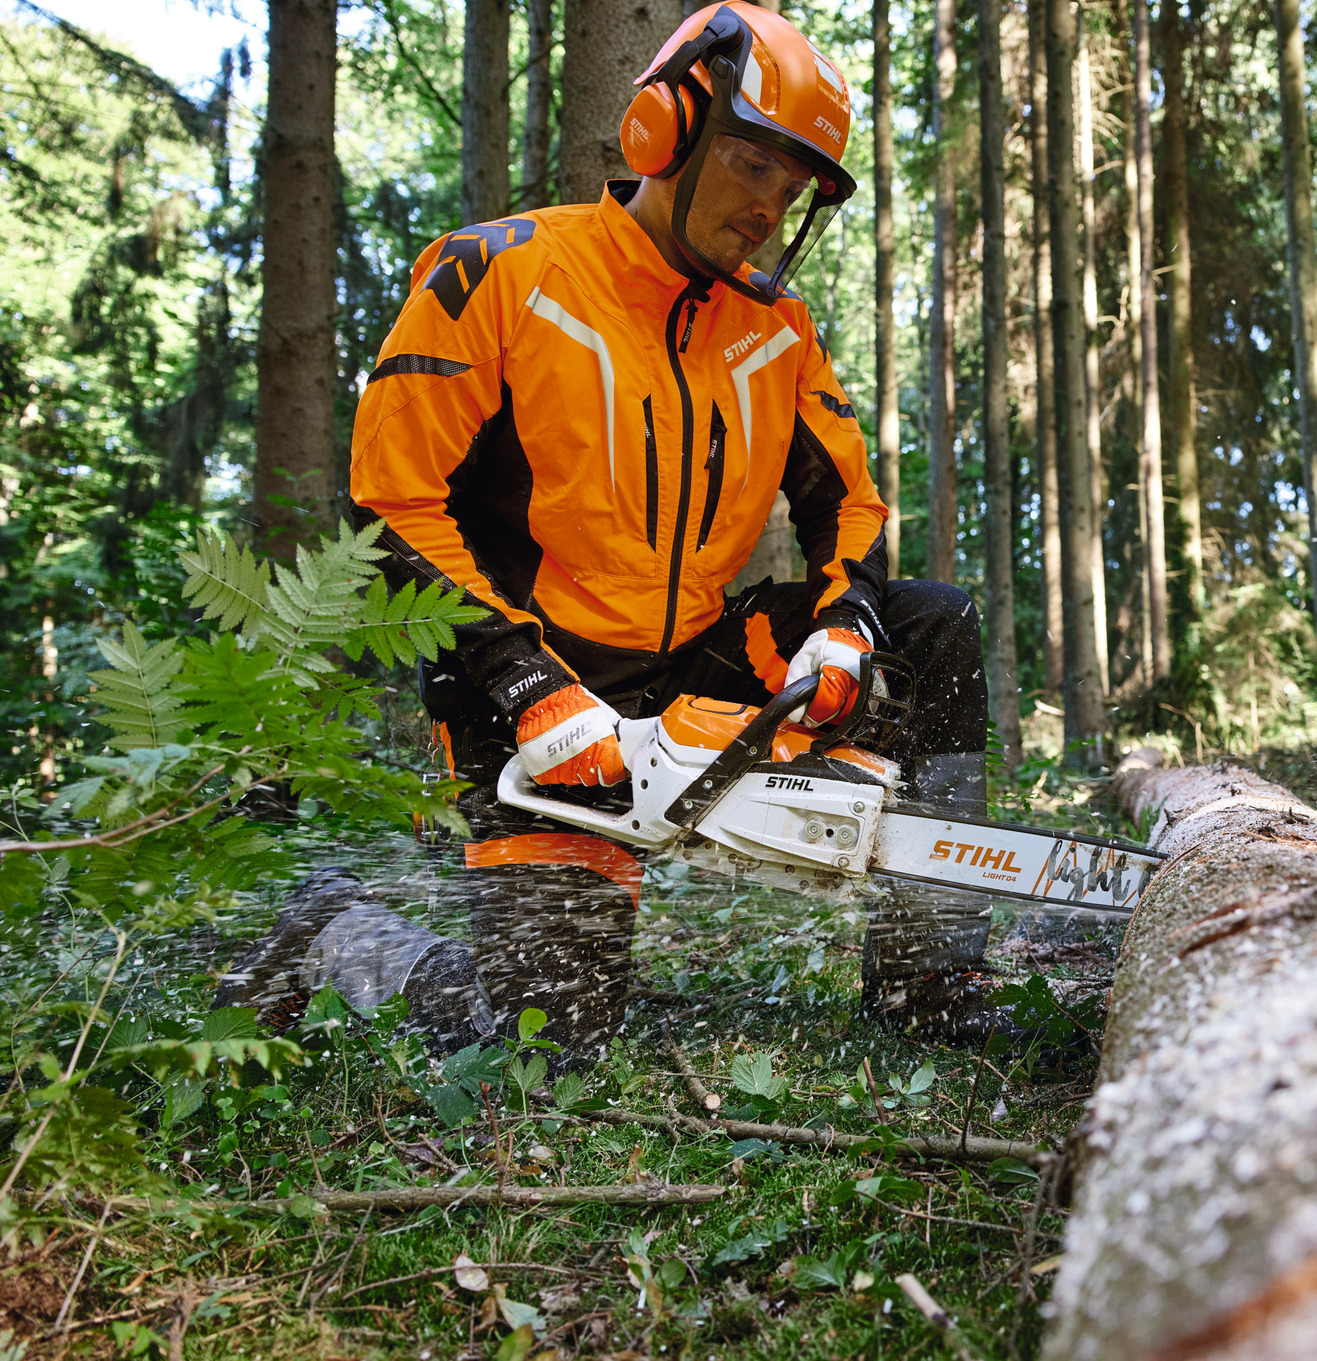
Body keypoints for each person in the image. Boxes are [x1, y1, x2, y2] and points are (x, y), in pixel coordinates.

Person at [217, 2, 1005, 1059]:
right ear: (663, 129)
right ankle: (332, 927)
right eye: (751, 163)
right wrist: (523, 681)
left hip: (695, 653)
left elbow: (845, 503)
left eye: (792, 183)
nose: (770, 204)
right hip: (525, 669)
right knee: (547, 1035)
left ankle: (931, 978)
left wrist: (847, 618)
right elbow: (391, 506)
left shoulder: (776, 329)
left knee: (935, 625)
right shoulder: (496, 274)